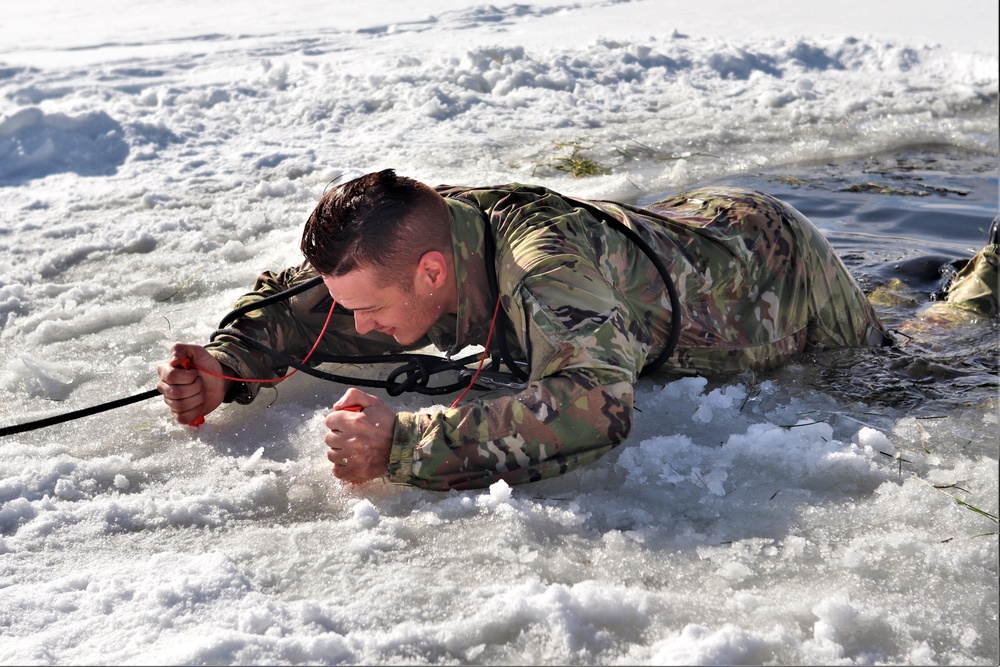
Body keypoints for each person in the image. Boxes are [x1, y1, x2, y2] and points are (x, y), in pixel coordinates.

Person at [155, 170, 995, 491]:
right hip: (669, 238)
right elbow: (308, 300)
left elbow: (595, 404)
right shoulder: (417, 241)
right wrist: (226, 365)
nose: (356, 325)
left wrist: (403, 445)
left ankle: (977, 281)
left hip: (768, 271)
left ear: (434, 275)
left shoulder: (546, 273)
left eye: (370, 309)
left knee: (916, 353)